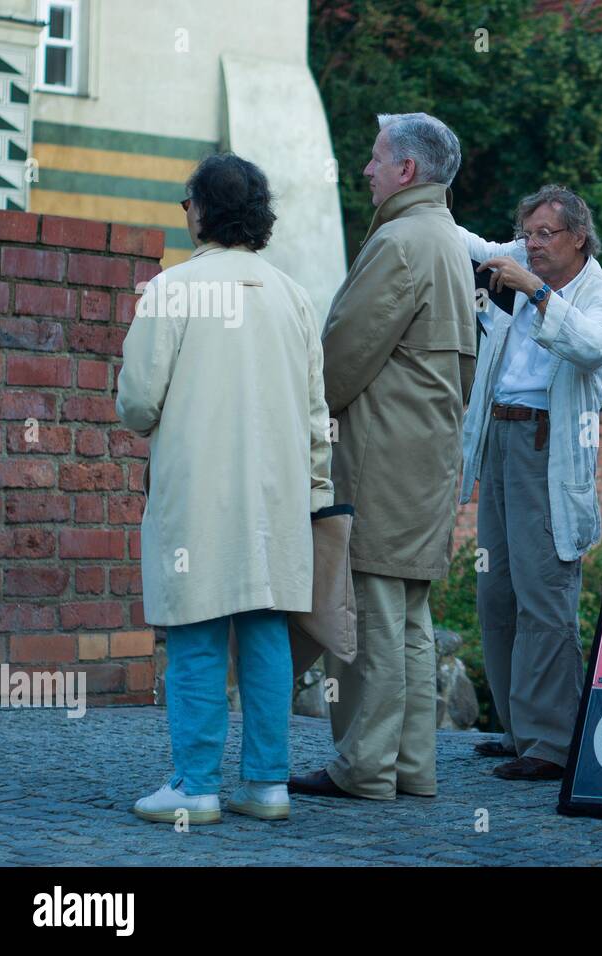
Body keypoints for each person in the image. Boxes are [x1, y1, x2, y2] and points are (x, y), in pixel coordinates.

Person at [119, 153, 334, 825]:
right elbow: (314, 416)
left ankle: (195, 784)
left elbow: (137, 402)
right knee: (267, 630)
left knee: (196, 630)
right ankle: (268, 784)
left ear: (202, 210)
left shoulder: (172, 288)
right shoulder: (293, 295)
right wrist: (318, 494)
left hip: (198, 490)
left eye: (186, 204)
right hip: (277, 497)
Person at [289, 112, 477, 801]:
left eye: (375, 159)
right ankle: (409, 766)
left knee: (367, 611)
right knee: (410, 614)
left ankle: (364, 768)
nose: (365, 169)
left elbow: (342, 356)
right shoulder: (448, 240)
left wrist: (302, 420)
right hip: (426, 457)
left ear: (406, 171)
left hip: (379, 454)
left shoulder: (399, 241)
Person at [458, 185, 602, 781]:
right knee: (496, 593)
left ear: (577, 237)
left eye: (543, 235)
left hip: (546, 446)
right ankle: (516, 731)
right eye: (526, 233)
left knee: (544, 596)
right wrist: (422, 199)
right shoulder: (515, 257)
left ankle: (552, 743)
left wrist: (534, 291)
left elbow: (594, 346)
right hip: (498, 442)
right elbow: (467, 244)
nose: (530, 244)